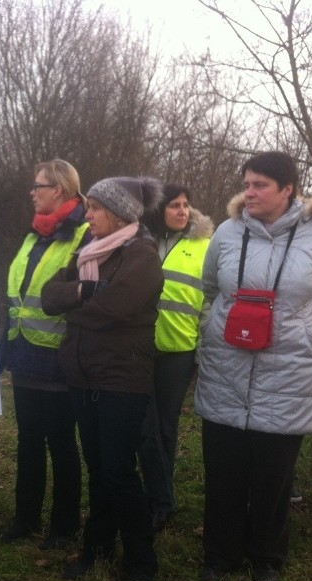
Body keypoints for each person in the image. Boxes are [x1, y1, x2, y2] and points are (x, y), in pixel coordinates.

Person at [194, 151, 312, 581]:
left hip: (290, 374)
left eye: (260, 184)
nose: (250, 192)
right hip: (227, 367)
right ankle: (219, 556)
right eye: (247, 183)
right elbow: (208, 286)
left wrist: (296, 328)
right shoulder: (226, 232)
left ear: (288, 189)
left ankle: (266, 560)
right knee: (223, 472)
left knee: (272, 478)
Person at [41, 176, 164, 581]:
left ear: (119, 213)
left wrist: (77, 308)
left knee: (119, 471)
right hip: (82, 375)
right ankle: (97, 547)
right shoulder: (86, 251)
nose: (87, 215)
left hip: (121, 379)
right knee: (98, 467)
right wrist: (86, 290)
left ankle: (140, 562)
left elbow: (117, 309)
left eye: (94, 208)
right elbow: (48, 297)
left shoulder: (142, 253)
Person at [0, 159, 89, 549]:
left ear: (61, 190)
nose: (32, 192)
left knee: (62, 444)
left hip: (57, 358)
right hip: (24, 356)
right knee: (29, 440)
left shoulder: (84, 236)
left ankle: (65, 525)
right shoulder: (35, 234)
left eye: (39, 186)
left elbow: (82, 296)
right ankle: (26, 517)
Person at [137, 184, 213, 532]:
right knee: (143, 426)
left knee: (164, 427)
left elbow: (210, 303)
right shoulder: (143, 242)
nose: (183, 211)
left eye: (186, 205)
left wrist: (202, 350)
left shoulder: (205, 246)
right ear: (159, 211)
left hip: (179, 353)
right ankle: (157, 493)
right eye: (174, 206)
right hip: (141, 349)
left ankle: (161, 503)